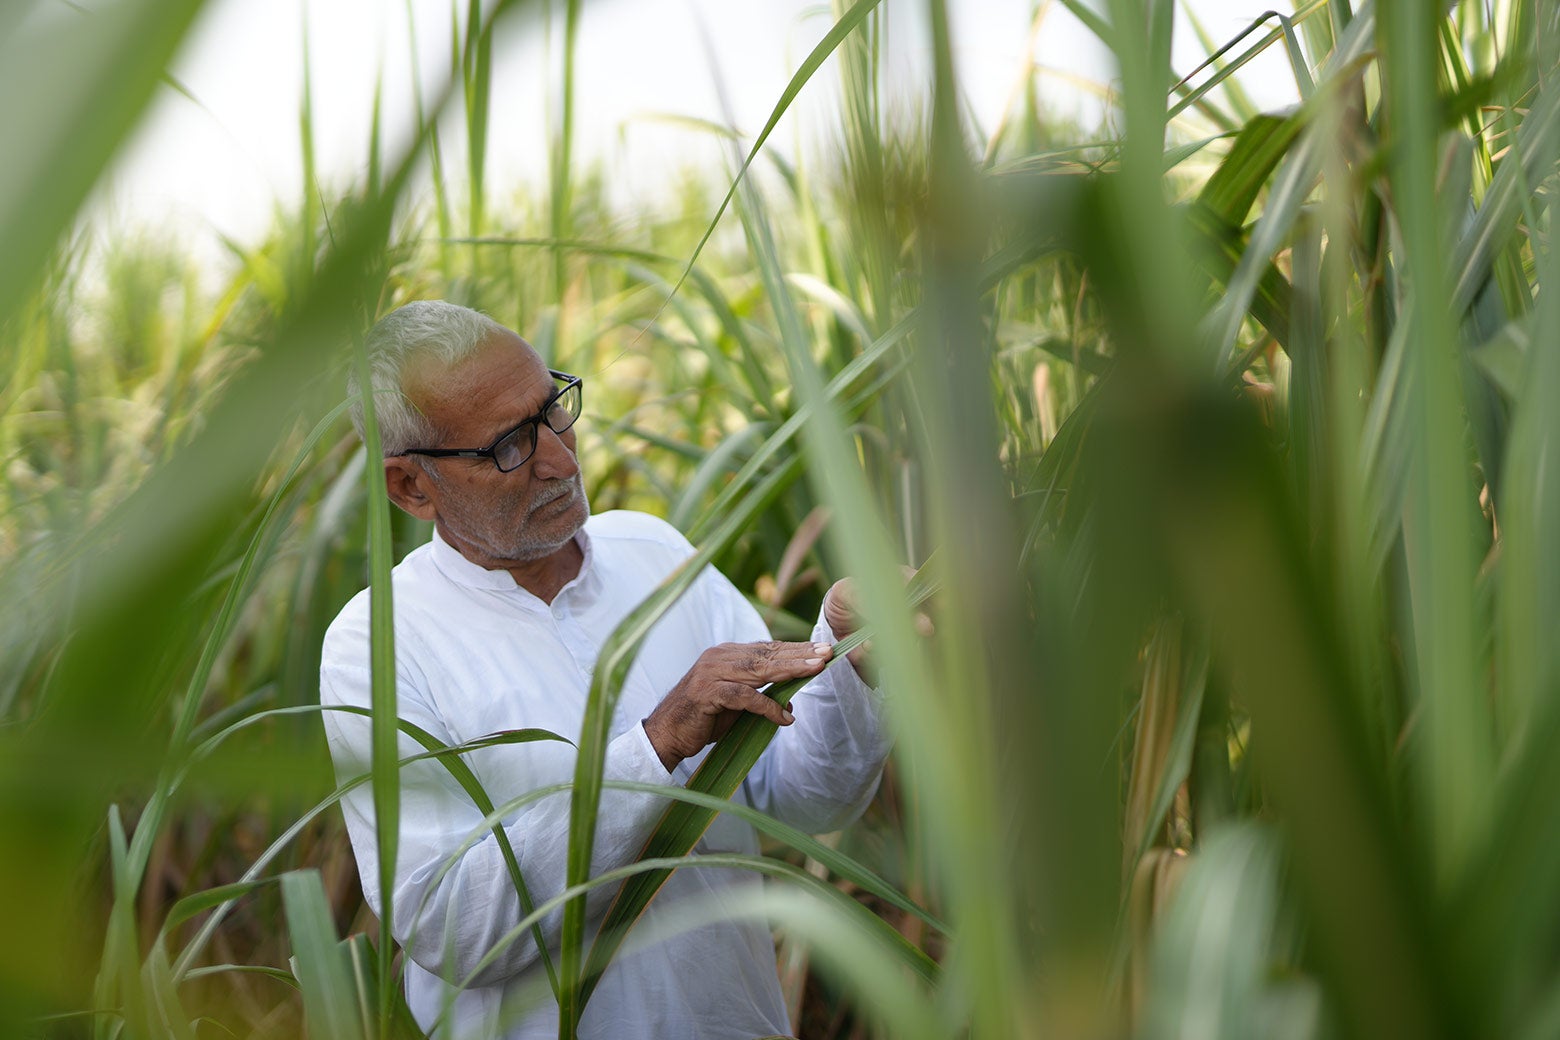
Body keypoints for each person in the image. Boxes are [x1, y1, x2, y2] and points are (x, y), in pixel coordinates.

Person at [319, 300, 892, 1039]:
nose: (560, 459)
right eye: (508, 448)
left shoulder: (654, 554)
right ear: (412, 488)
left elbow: (800, 801)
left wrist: (846, 658)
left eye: (553, 410)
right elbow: (451, 927)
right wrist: (658, 745)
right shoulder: (379, 646)